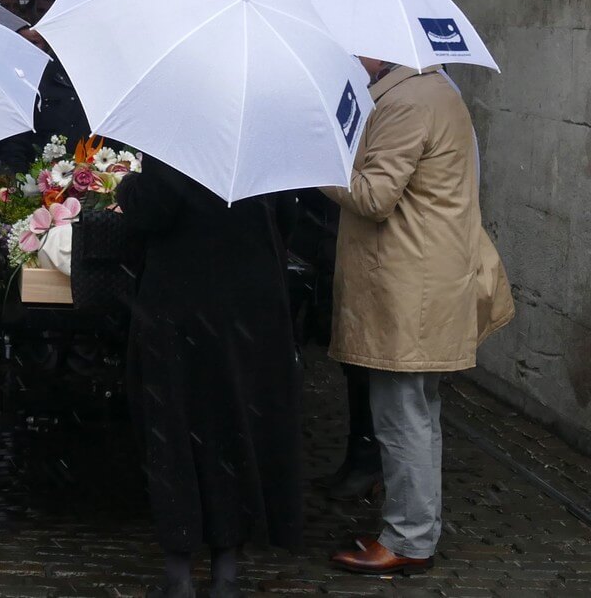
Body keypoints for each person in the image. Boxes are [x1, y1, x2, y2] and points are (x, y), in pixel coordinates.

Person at [327, 59, 513, 575]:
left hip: (410, 289)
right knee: (416, 414)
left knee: (401, 416)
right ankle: (414, 530)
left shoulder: (407, 100)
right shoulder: (426, 89)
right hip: (420, 282)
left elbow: (372, 195)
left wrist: (319, 162)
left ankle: (408, 540)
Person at [116, 156, 303, 598]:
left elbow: (153, 209)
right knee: (233, 424)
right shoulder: (261, 133)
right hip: (249, 298)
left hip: (182, 300)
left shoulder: (180, 132)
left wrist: (127, 187)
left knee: (173, 429)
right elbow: (289, 215)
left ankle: (179, 574)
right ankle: (226, 574)